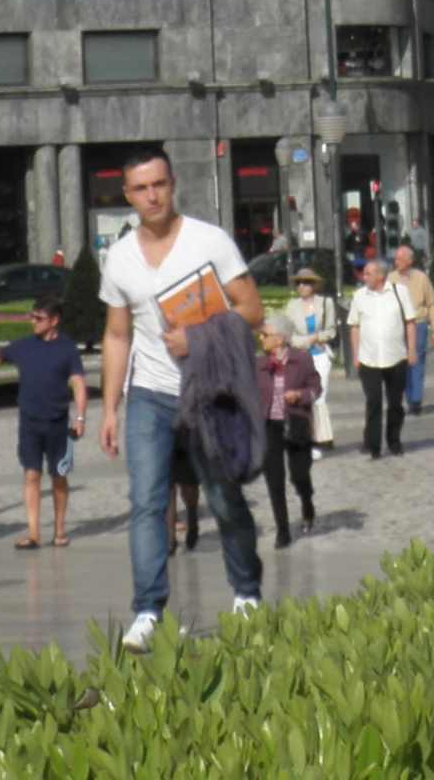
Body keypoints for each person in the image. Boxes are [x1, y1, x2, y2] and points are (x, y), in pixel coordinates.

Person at [97, 144, 267, 654]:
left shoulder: (208, 241)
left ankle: (247, 592)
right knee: (147, 504)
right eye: (141, 188)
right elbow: (116, 335)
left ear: (172, 185)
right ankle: (148, 610)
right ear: (127, 195)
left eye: (160, 184)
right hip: (149, 395)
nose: (153, 195)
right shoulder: (120, 257)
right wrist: (108, 407)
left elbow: (252, 308)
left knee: (223, 499)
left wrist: (198, 340)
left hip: (208, 391)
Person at [0, 294, 88, 547]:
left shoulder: (68, 349)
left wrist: (81, 417)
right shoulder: (23, 346)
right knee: (31, 474)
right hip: (29, 421)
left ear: (54, 321)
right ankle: (33, 533)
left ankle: (59, 530)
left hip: (58, 421)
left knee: (58, 476)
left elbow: (79, 383)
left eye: (38, 318)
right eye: (32, 317)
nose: (33, 322)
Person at [256, 313, 320, 545]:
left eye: (265, 335)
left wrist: (300, 395)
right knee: (274, 478)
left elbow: (316, 388)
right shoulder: (259, 365)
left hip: (295, 422)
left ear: (280, 339)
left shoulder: (302, 360)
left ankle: (306, 503)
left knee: (299, 475)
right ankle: (283, 530)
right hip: (269, 426)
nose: (261, 338)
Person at [347, 254, 416, 458]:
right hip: (369, 359)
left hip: (396, 357)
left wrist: (412, 349)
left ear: (380, 276)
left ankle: (394, 440)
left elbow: (410, 322)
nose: (363, 277)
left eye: (368, 273)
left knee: (395, 402)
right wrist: (356, 353)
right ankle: (373, 444)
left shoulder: (399, 292)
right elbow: (354, 326)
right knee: (373, 399)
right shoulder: (360, 296)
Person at [284, 269, 337, 448]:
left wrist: (319, 338)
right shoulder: (292, 306)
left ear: (313, 285)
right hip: (302, 356)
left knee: (319, 395)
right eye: (299, 283)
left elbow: (331, 331)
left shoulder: (325, 303)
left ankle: (323, 436)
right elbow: (290, 336)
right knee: (306, 396)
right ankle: (308, 435)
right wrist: (310, 340)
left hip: (321, 355)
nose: (302, 286)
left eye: (305, 283)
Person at [393, 244, 434, 414]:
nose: (395, 262)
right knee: (402, 364)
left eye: (399, 259)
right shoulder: (391, 279)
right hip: (398, 326)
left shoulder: (421, 278)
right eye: (395, 259)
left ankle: (416, 400)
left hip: (418, 323)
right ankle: (409, 395)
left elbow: (432, 304)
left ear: (409, 260)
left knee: (417, 361)